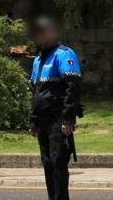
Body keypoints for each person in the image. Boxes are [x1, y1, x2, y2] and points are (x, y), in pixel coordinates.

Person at [28, 15, 83, 200]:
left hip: (59, 119)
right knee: (47, 163)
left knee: (58, 162)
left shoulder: (64, 54)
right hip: (43, 121)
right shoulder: (37, 60)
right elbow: (35, 93)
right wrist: (33, 121)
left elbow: (72, 88)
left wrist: (68, 119)